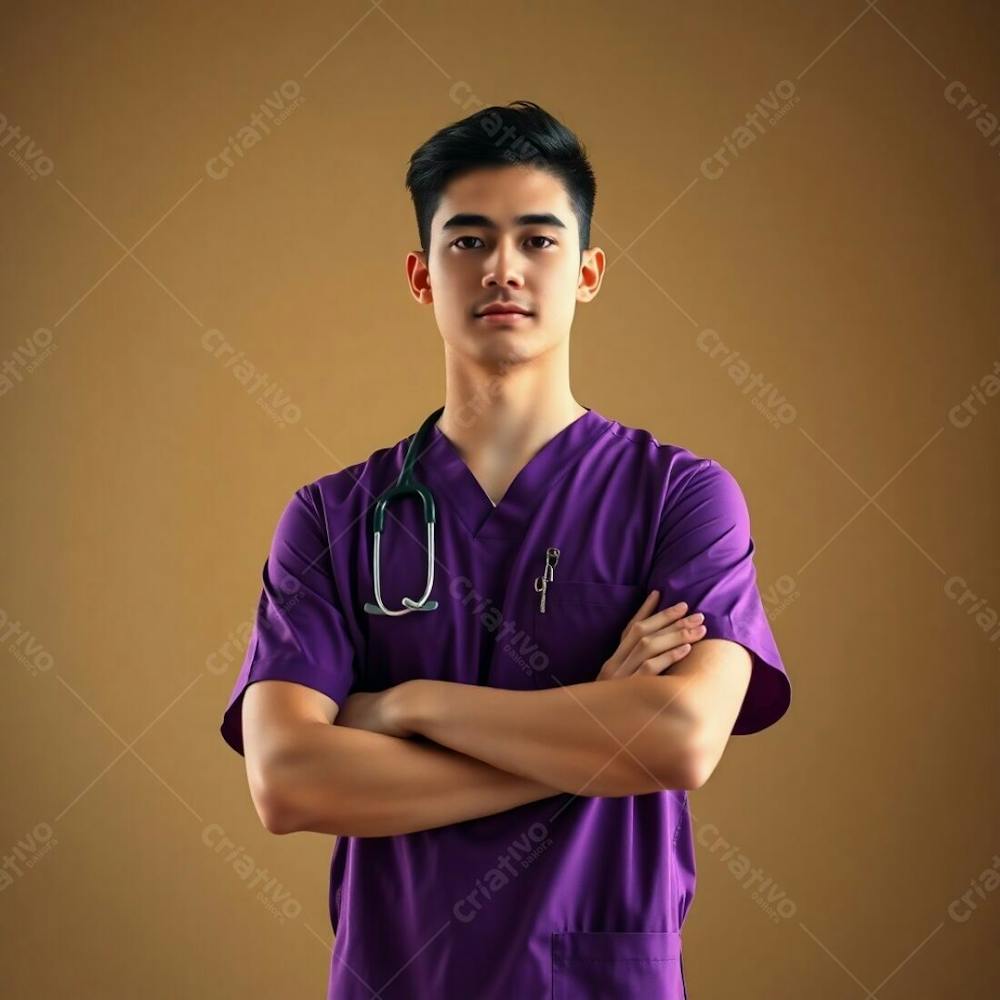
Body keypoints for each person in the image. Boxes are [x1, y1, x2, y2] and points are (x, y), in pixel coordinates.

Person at [219, 99, 791, 999]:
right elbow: (288, 781)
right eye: (469, 241)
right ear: (420, 275)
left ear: (590, 271)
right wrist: (601, 729)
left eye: (538, 240)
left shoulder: (682, 497)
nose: (503, 270)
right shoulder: (332, 517)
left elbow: (680, 741)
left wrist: (407, 705)